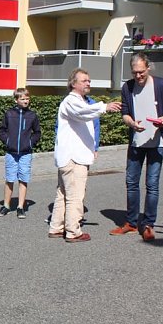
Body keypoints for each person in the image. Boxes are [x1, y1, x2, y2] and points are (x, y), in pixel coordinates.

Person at [110, 53, 163, 241]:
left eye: (141, 72)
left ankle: (148, 223)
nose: (138, 76)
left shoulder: (161, 84)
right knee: (131, 182)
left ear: (148, 68)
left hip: (158, 142)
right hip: (136, 142)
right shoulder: (128, 86)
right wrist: (132, 123)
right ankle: (131, 223)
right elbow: (125, 113)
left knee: (152, 184)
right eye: (135, 73)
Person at [50, 69, 121, 242]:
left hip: (73, 156)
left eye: (89, 80)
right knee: (75, 194)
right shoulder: (71, 101)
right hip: (73, 158)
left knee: (63, 193)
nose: (88, 83)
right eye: (84, 81)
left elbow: (86, 112)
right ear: (73, 84)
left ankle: (56, 227)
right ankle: (73, 231)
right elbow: (82, 114)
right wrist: (104, 107)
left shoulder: (80, 101)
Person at [0, 88, 42, 219]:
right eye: (22, 99)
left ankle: (20, 207)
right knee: (10, 179)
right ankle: (6, 205)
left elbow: (37, 132)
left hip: (26, 153)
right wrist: (8, 141)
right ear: (16, 100)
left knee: (23, 179)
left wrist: (30, 142)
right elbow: (2, 131)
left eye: (27, 98)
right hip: (11, 153)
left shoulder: (32, 115)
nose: (25, 101)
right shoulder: (9, 114)